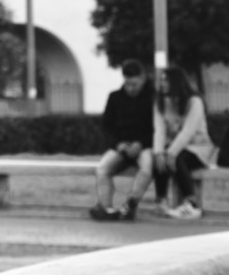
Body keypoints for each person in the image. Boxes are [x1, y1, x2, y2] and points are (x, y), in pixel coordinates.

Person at [90, 59, 154, 221]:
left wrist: (141, 144)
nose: (131, 88)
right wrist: (117, 144)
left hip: (145, 146)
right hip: (120, 146)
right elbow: (107, 127)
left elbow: (157, 129)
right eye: (127, 84)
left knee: (147, 165)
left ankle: (130, 205)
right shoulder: (115, 97)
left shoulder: (152, 98)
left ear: (142, 78)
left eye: (134, 84)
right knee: (102, 168)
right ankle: (106, 208)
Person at [152, 66, 215, 220]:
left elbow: (188, 131)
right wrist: (159, 153)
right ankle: (161, 201)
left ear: (176, 82)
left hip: (198, 148)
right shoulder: (160, 103)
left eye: (166, 80)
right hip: (175, 147)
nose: (162, 84)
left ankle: (191, 204)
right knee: (159, 159)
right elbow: (159, 130)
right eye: (161, 80)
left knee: (178, 158)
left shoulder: (194, 102)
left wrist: (171, 153)